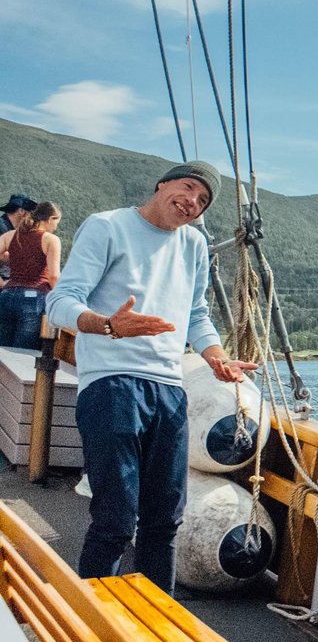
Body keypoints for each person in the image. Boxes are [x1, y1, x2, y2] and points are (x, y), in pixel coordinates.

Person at [46, 161, 255, 594]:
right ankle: (95, 628)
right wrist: (107, 325)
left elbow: (197, 315)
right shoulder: (107, 227)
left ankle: (158, 630)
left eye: (202, 200)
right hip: (112, 383)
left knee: (165, 520)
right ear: (161, 186)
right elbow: (60, 302)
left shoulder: (194, 244)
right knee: (117, 520)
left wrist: (216, 357)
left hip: (168, 388)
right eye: (187, 187)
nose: (192, 202)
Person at [0, 201, 62, 350]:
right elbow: (54, 277)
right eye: (56, 223)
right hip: (34, 300)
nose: (56, 227)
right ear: (50, 219)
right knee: (23, 356)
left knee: (2, 353)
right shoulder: (50, 240)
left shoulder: (11, 235)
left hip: (7, 296)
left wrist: (2, 282)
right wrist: (61, 298)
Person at [0, 193, 37, 281]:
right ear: (21, 211)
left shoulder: (16, 229)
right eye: (29, 211)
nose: (31, 215)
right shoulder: (1, 226)